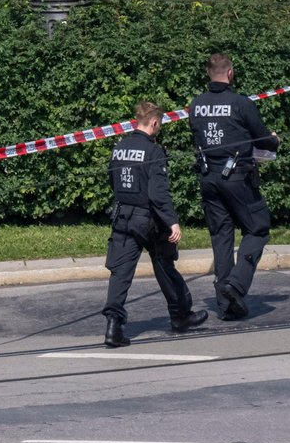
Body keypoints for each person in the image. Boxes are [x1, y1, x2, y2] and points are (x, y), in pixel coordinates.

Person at [103, 101, 209, 347]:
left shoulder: (119, 147)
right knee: (164, 264)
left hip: (122, 217)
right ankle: (181, 315)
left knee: (120, 273)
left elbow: (113, 180)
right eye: (159, 124)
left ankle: (113, 327)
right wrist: (172, 222)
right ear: (154, 122)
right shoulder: (153, 151)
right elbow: (158, 193)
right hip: (148, 219)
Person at [187, 52, 280, 320]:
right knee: (258, 228)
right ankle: (236, 285)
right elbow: (262, 139)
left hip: (208, 179)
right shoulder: (241, 103)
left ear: (208, 73)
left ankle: (228, 305)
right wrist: (274, 141)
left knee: (222, 238)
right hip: (237, 178)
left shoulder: (196, 105)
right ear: (230, 73)